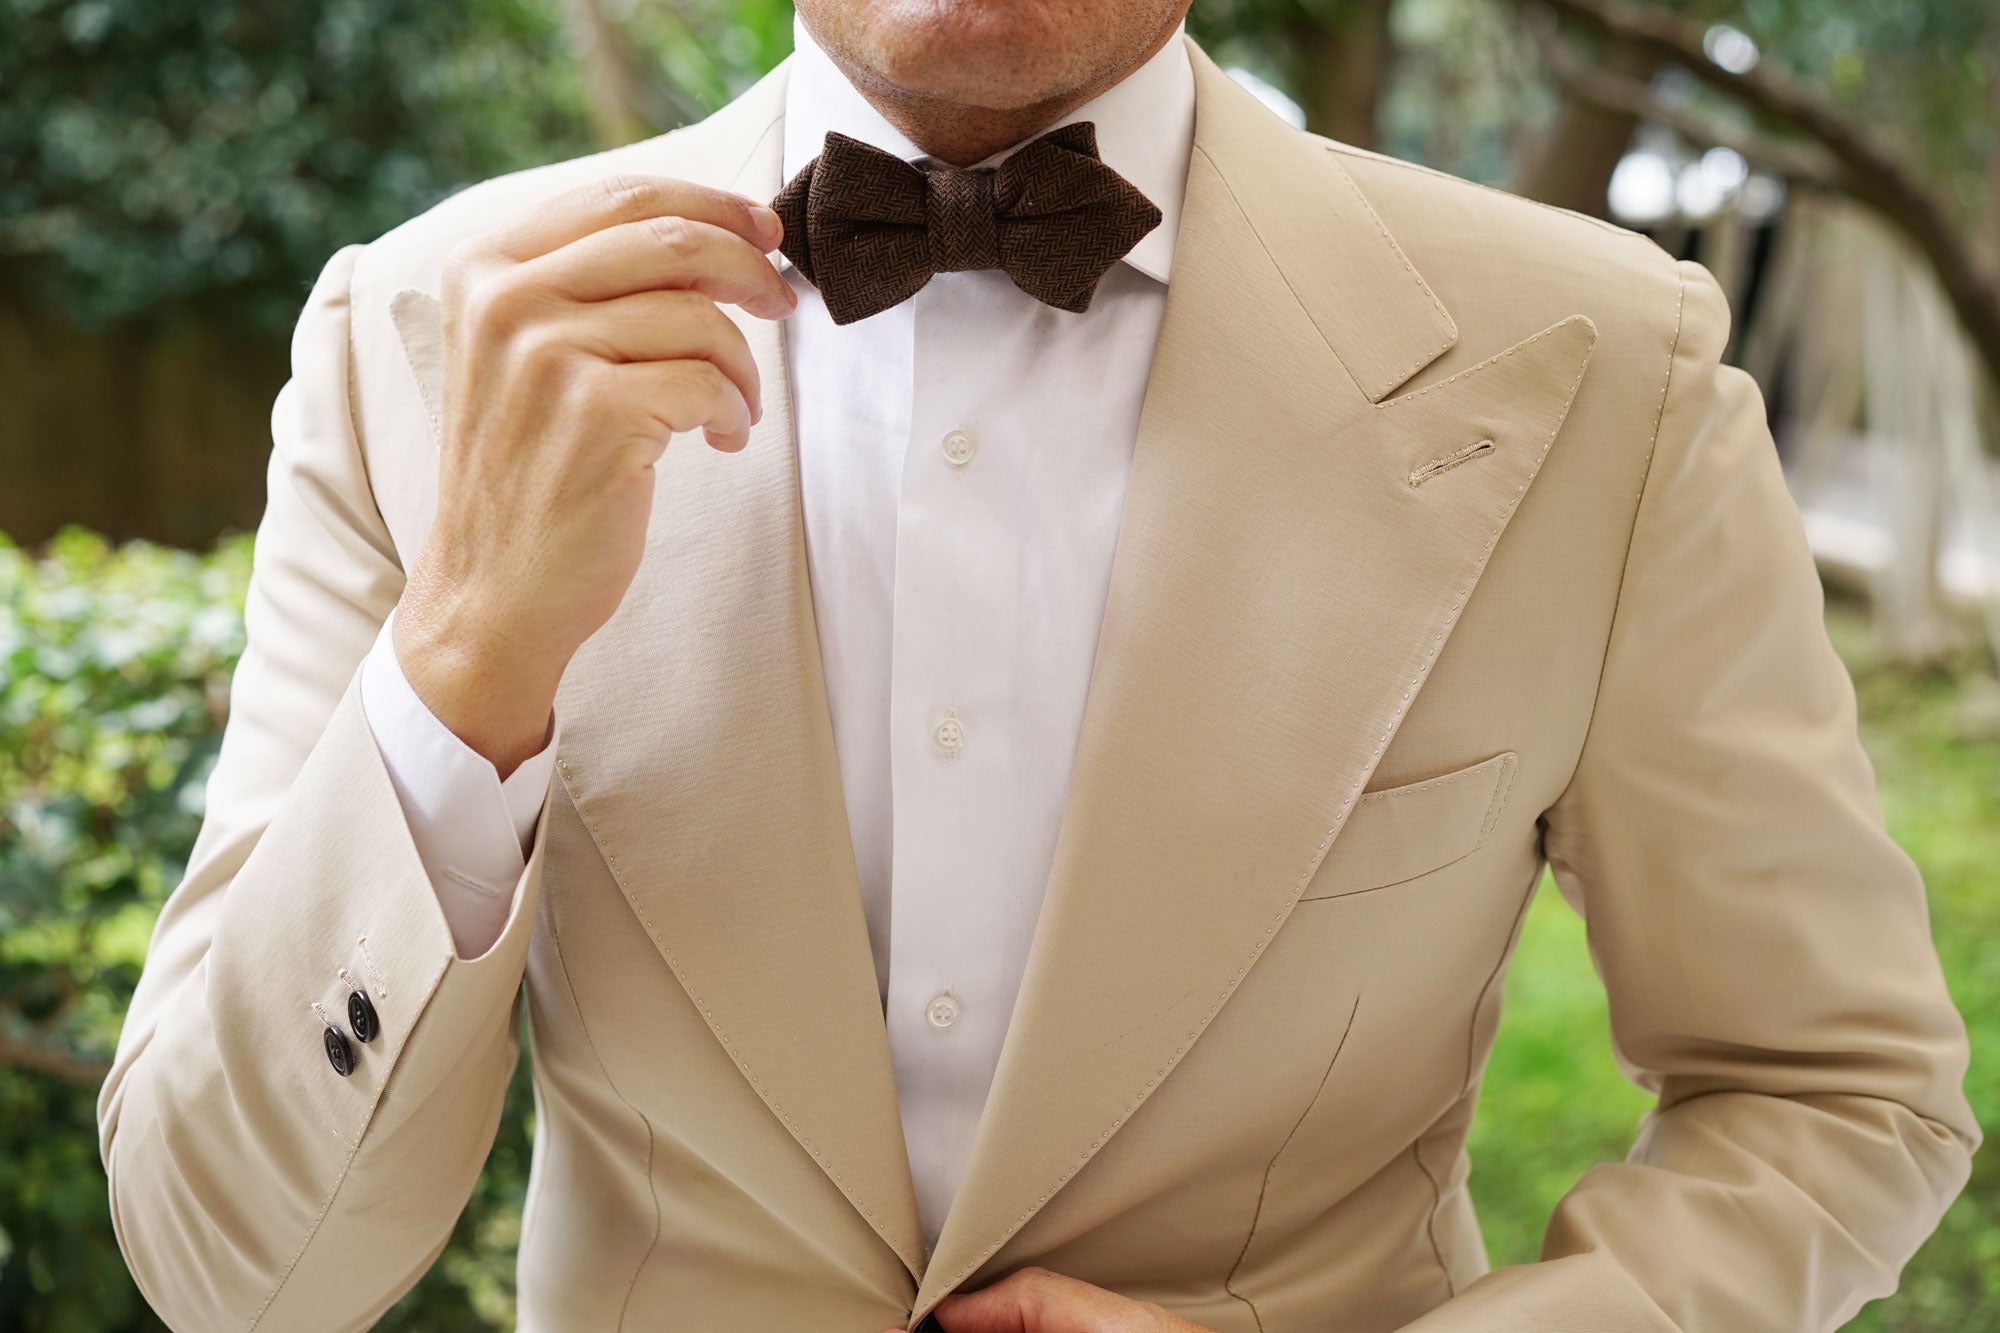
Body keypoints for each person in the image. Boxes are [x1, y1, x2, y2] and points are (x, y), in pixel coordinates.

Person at [97, 0, 1978, 1328]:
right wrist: (462, 663)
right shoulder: (411, 345)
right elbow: (232, 1272)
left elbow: (1834, 1094)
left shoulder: (1602, 367)